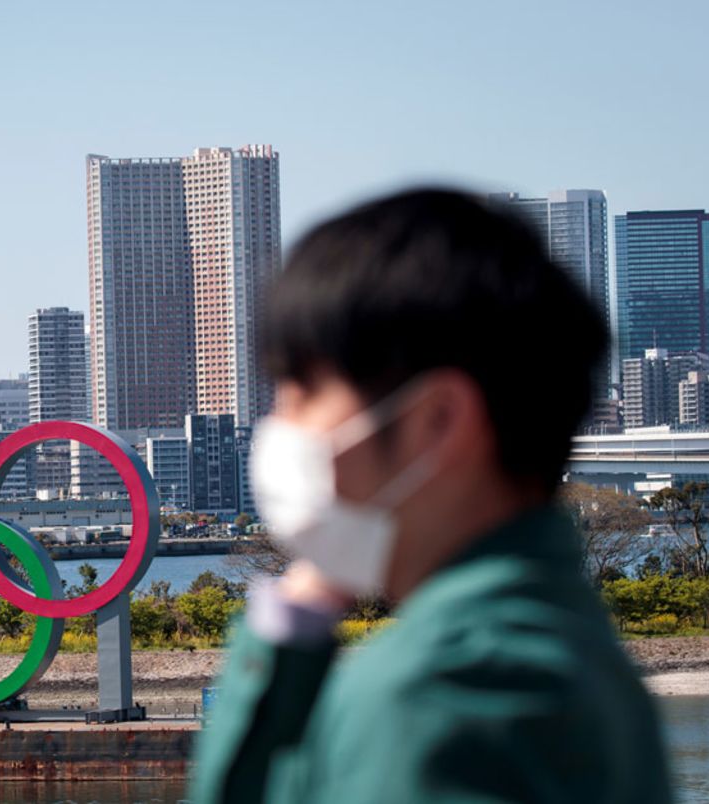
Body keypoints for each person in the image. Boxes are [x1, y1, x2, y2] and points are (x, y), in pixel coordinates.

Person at [191, 189, 671, 803]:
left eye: (304, 389)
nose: (279, 422)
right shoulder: (576, 651)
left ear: (438, 422)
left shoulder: (426, 697)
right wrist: (297, 623)